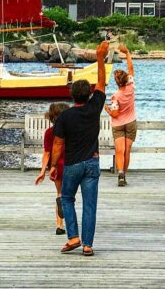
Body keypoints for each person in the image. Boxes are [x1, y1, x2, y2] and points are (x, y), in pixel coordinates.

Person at [49, 40, 109, 257]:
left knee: (66, 198)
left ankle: (73, 236)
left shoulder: (65, 116)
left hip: (73, 164)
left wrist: (53, 165)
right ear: (88, 94)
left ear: (72, 95)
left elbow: (57, 143)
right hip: (92, 162)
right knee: (90, 205)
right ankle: (87, 245)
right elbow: (102, 84)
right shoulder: (94, 108)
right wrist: (100, 57)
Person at [104, 44, 136, 186]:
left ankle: (120, 173)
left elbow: (115, 114)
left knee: (119, 151)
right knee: (127, 151)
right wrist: (127, 52)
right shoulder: (131, 87)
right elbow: (131, 68)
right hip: (131, 122)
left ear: (117, 82)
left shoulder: (115, 96)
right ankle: (125, 175)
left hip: (118, 125)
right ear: (126, 80)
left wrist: (107, 110)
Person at [35, 102, 70, 235]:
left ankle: (59, 225)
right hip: (71, 165)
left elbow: (47, 153)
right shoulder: (71, 131)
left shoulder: (49, 132)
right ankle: (69, 220)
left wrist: (42, 172)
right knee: (69, 195)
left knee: (59, 193)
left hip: (56, 167)